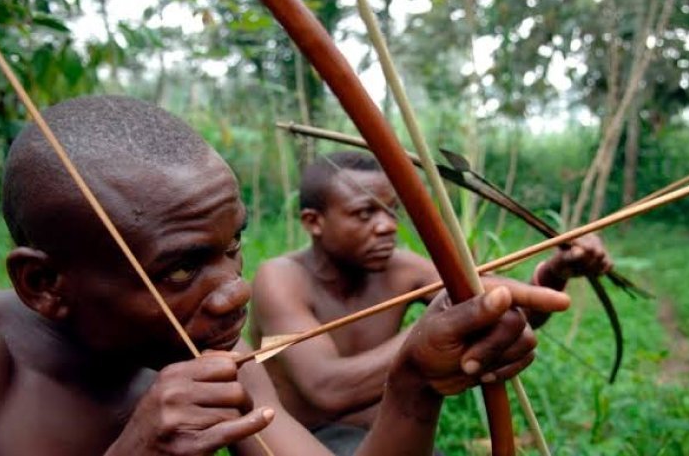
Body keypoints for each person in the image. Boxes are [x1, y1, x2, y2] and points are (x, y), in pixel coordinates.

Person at [0, 96, 572, 456]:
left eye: (234, 246)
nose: (235, 289)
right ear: (45, 285)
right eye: (180, 267)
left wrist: (413, 383)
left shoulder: (216, 358)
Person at [250, 151, 613, 456]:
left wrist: (557, 270)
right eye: (365, 213)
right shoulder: (280, 279)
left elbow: (504, 308)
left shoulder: (400, 269)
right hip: (306, 442)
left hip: (392, 434)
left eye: (391, 211)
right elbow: (328, 389)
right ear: (314, 222)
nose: (387, 226)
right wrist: (425, 338)